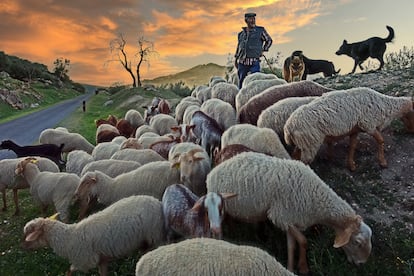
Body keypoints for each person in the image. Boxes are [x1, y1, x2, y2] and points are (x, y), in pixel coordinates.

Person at [234, 13, 273, 88]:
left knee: (256, 81)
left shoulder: (260, 30)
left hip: (254, 61)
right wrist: (236, 59)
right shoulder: (241, 34)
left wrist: (263, 49)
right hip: (242, 62)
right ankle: (241, 97)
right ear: (246, 20)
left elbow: (269, 40)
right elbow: (239, 46)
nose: (253, 21)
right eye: (250, 19)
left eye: (254, 19)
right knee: (241, 81)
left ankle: (255, 97)